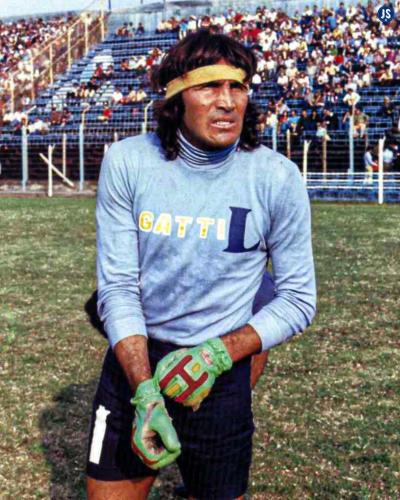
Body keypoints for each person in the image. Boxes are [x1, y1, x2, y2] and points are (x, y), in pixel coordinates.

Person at [87, 31, 316, 499]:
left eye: (238, 87)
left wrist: (217, 356)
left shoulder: (276, 177)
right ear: (176, 97)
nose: (227, 102)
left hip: (220, 372)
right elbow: (118, 288)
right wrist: (144, 390)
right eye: (210, 86)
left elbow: (297, 299)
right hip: (136, 364)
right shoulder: (129, 162)